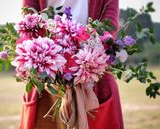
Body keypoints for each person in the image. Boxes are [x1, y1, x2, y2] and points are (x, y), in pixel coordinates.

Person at [19, 0, 123, 129]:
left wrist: (90, 54)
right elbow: (28, 21)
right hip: (46, 76)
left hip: (93, 73)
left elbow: (110, 24)